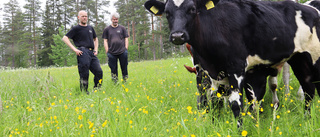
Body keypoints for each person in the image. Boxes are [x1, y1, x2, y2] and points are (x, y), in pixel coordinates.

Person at [62, 10, 103, 94]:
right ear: (78, 17)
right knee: (84, 73)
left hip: (92, 53)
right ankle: (84, 92)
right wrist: (75, 49)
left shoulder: (90, 28)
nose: (84, 18)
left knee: (99, 71)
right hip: (82, 52)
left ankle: (97, 89)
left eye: (86, 16)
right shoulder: (76, 28)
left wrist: (96, 49)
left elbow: (95, 39)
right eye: (82, 16)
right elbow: (65, 38)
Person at [102, 12, 129, 83]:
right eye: (114, 19)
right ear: (111, 19)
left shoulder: (122, 28)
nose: (115, 21)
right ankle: (115, 82)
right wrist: (107, 50)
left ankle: (125, 80)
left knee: (124, 67)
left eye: (116, 19)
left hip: (122, 51)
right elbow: (105, 40)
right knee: (113, 68)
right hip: (111, 53)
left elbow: (126, 38)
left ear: (118, 20)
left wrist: (126, 48)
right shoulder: (107, 29)